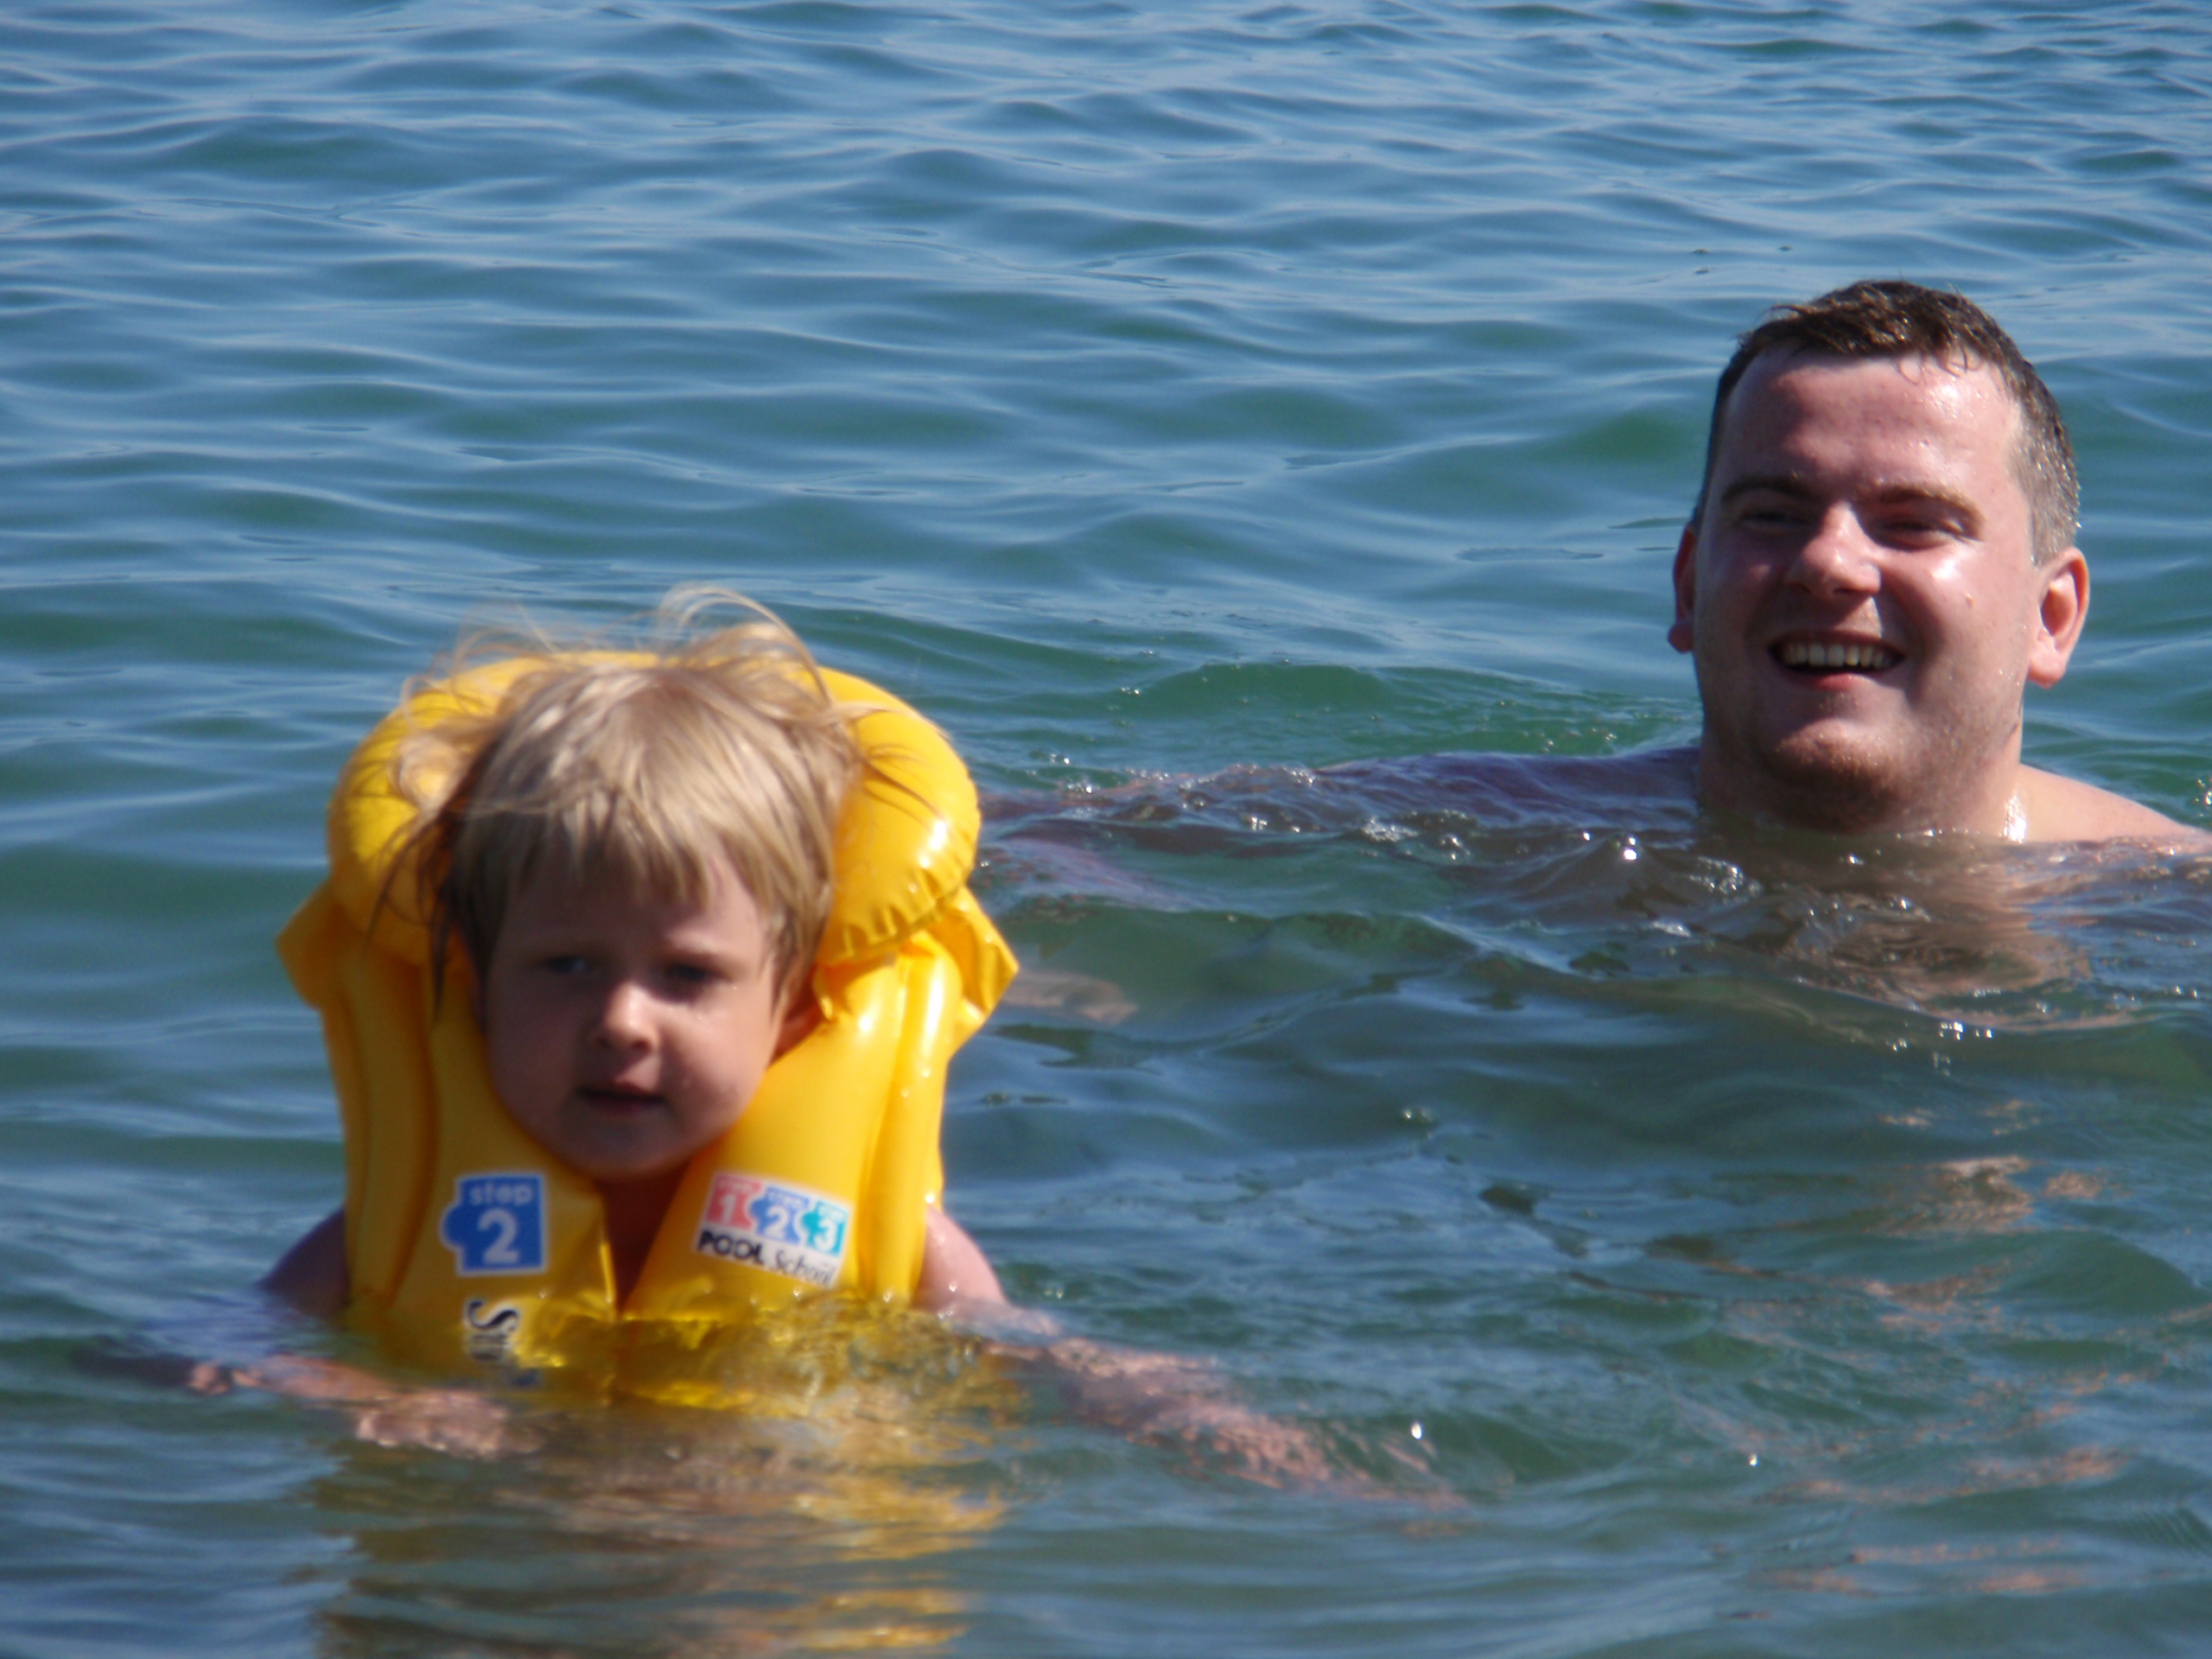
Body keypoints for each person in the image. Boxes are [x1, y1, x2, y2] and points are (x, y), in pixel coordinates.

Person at [1666, 277, 2201, 844]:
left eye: (1914, 525)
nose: (1827, 561)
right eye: (1772, 516)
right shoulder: (1591, 847)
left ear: (2050, 617)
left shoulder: (2171, 891)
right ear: (1690, 587)